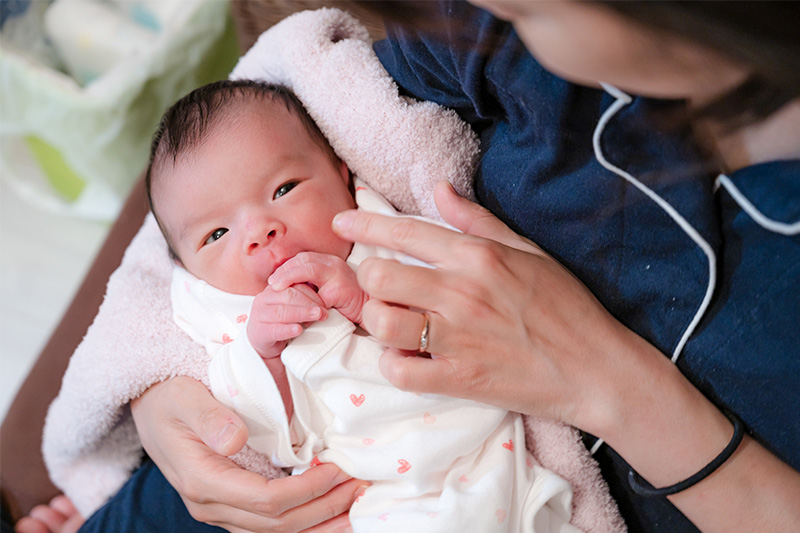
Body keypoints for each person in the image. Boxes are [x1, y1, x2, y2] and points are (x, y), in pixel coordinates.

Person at [20, 1, 800, 532]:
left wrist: (613, 384)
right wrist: (171, 380)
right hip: (289, 460)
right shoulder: (490, 35)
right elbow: (244, 143)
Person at [149, 79, 578, 532]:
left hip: (478, 462)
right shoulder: (229, 322)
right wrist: (263, 356)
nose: (260, 231)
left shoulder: (385, 243)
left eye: (284, 189)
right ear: (184, 265)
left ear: (341, 173)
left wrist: (363, 300)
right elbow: (272, 438)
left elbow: (469, 322)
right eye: (217, 235)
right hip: (373, 499)